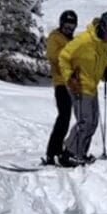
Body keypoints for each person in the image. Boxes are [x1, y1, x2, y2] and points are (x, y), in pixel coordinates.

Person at [56, 10, 107, 167]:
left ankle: (78, 153)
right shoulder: (84, 41)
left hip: (92, 85)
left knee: (92, 123)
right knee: (86, 121)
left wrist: (106, 73)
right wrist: (69, 77)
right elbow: (63, 57)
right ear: (103, 29)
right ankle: (70, 154)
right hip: (78, 85)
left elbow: (101, 60)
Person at [44, 9, 79, 165]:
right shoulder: (55, 37)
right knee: (64, 117)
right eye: (66, 26)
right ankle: (52, 152)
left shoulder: (72, 41)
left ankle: (67, 151)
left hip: (73, 84)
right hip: (61, 84)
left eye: (72, 27)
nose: (69, 30)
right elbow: (54, 56)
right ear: (61, 24)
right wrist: (72, 55)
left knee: (76, 119)